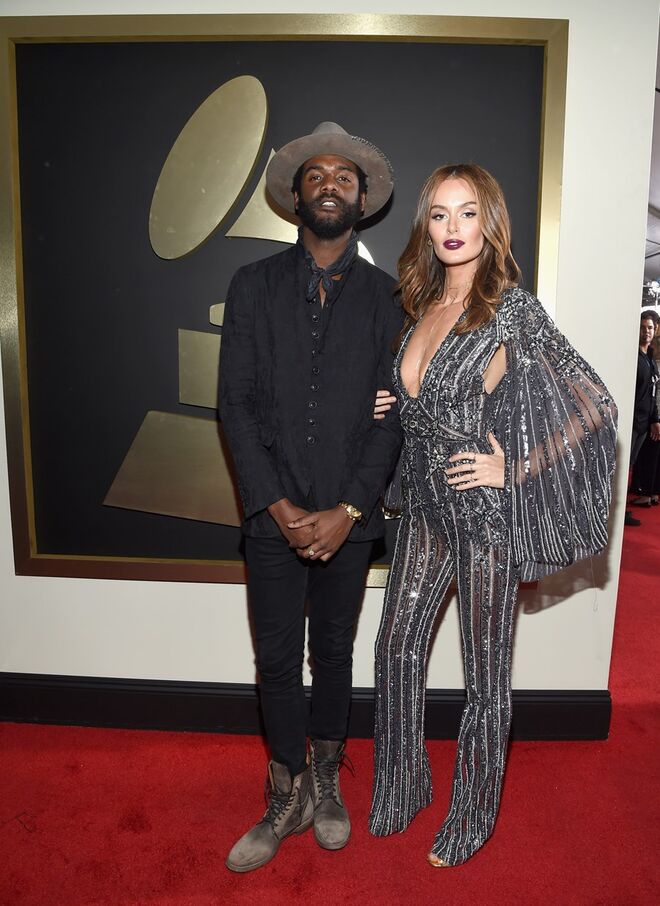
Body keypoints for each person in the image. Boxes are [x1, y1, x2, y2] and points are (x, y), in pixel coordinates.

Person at [368, 164, 617, 867]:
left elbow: (596, 403)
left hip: (483, 517)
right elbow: (429, 395)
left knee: (484, 676)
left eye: (467, 213)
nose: (452, 228)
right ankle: (404, 785)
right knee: (394, 648)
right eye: (440, 214)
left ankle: (472, 815)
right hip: (422, 505)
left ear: (490, 224)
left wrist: (517, 467)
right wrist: (398, 403)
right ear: (427, 227)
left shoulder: (511, 309)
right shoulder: (422, 302)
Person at [219, 122, 402, 873]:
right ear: (297, 195)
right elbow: (234, 405)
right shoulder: (252, 286)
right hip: (272, 519)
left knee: (332, 652)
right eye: (316, 175)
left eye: (345, 176)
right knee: (273, 659)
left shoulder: (393, 298)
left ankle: (327, 777)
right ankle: (284, 786)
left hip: (350, 521)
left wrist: (350, 508)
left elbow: (396, 415)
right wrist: (278, 506)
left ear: (362, 198)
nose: (330, 184)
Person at [626, 311, 660, 518]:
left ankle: (622, 512)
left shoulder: (649, 358)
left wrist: (655, 419)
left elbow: (652, 392)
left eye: (650, 327)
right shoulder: (633, 357)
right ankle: (618, 514)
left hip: (644, 423)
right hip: (632, 422)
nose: (646, 331)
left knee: (630, 464)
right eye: (643, 327)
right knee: (624, 466)